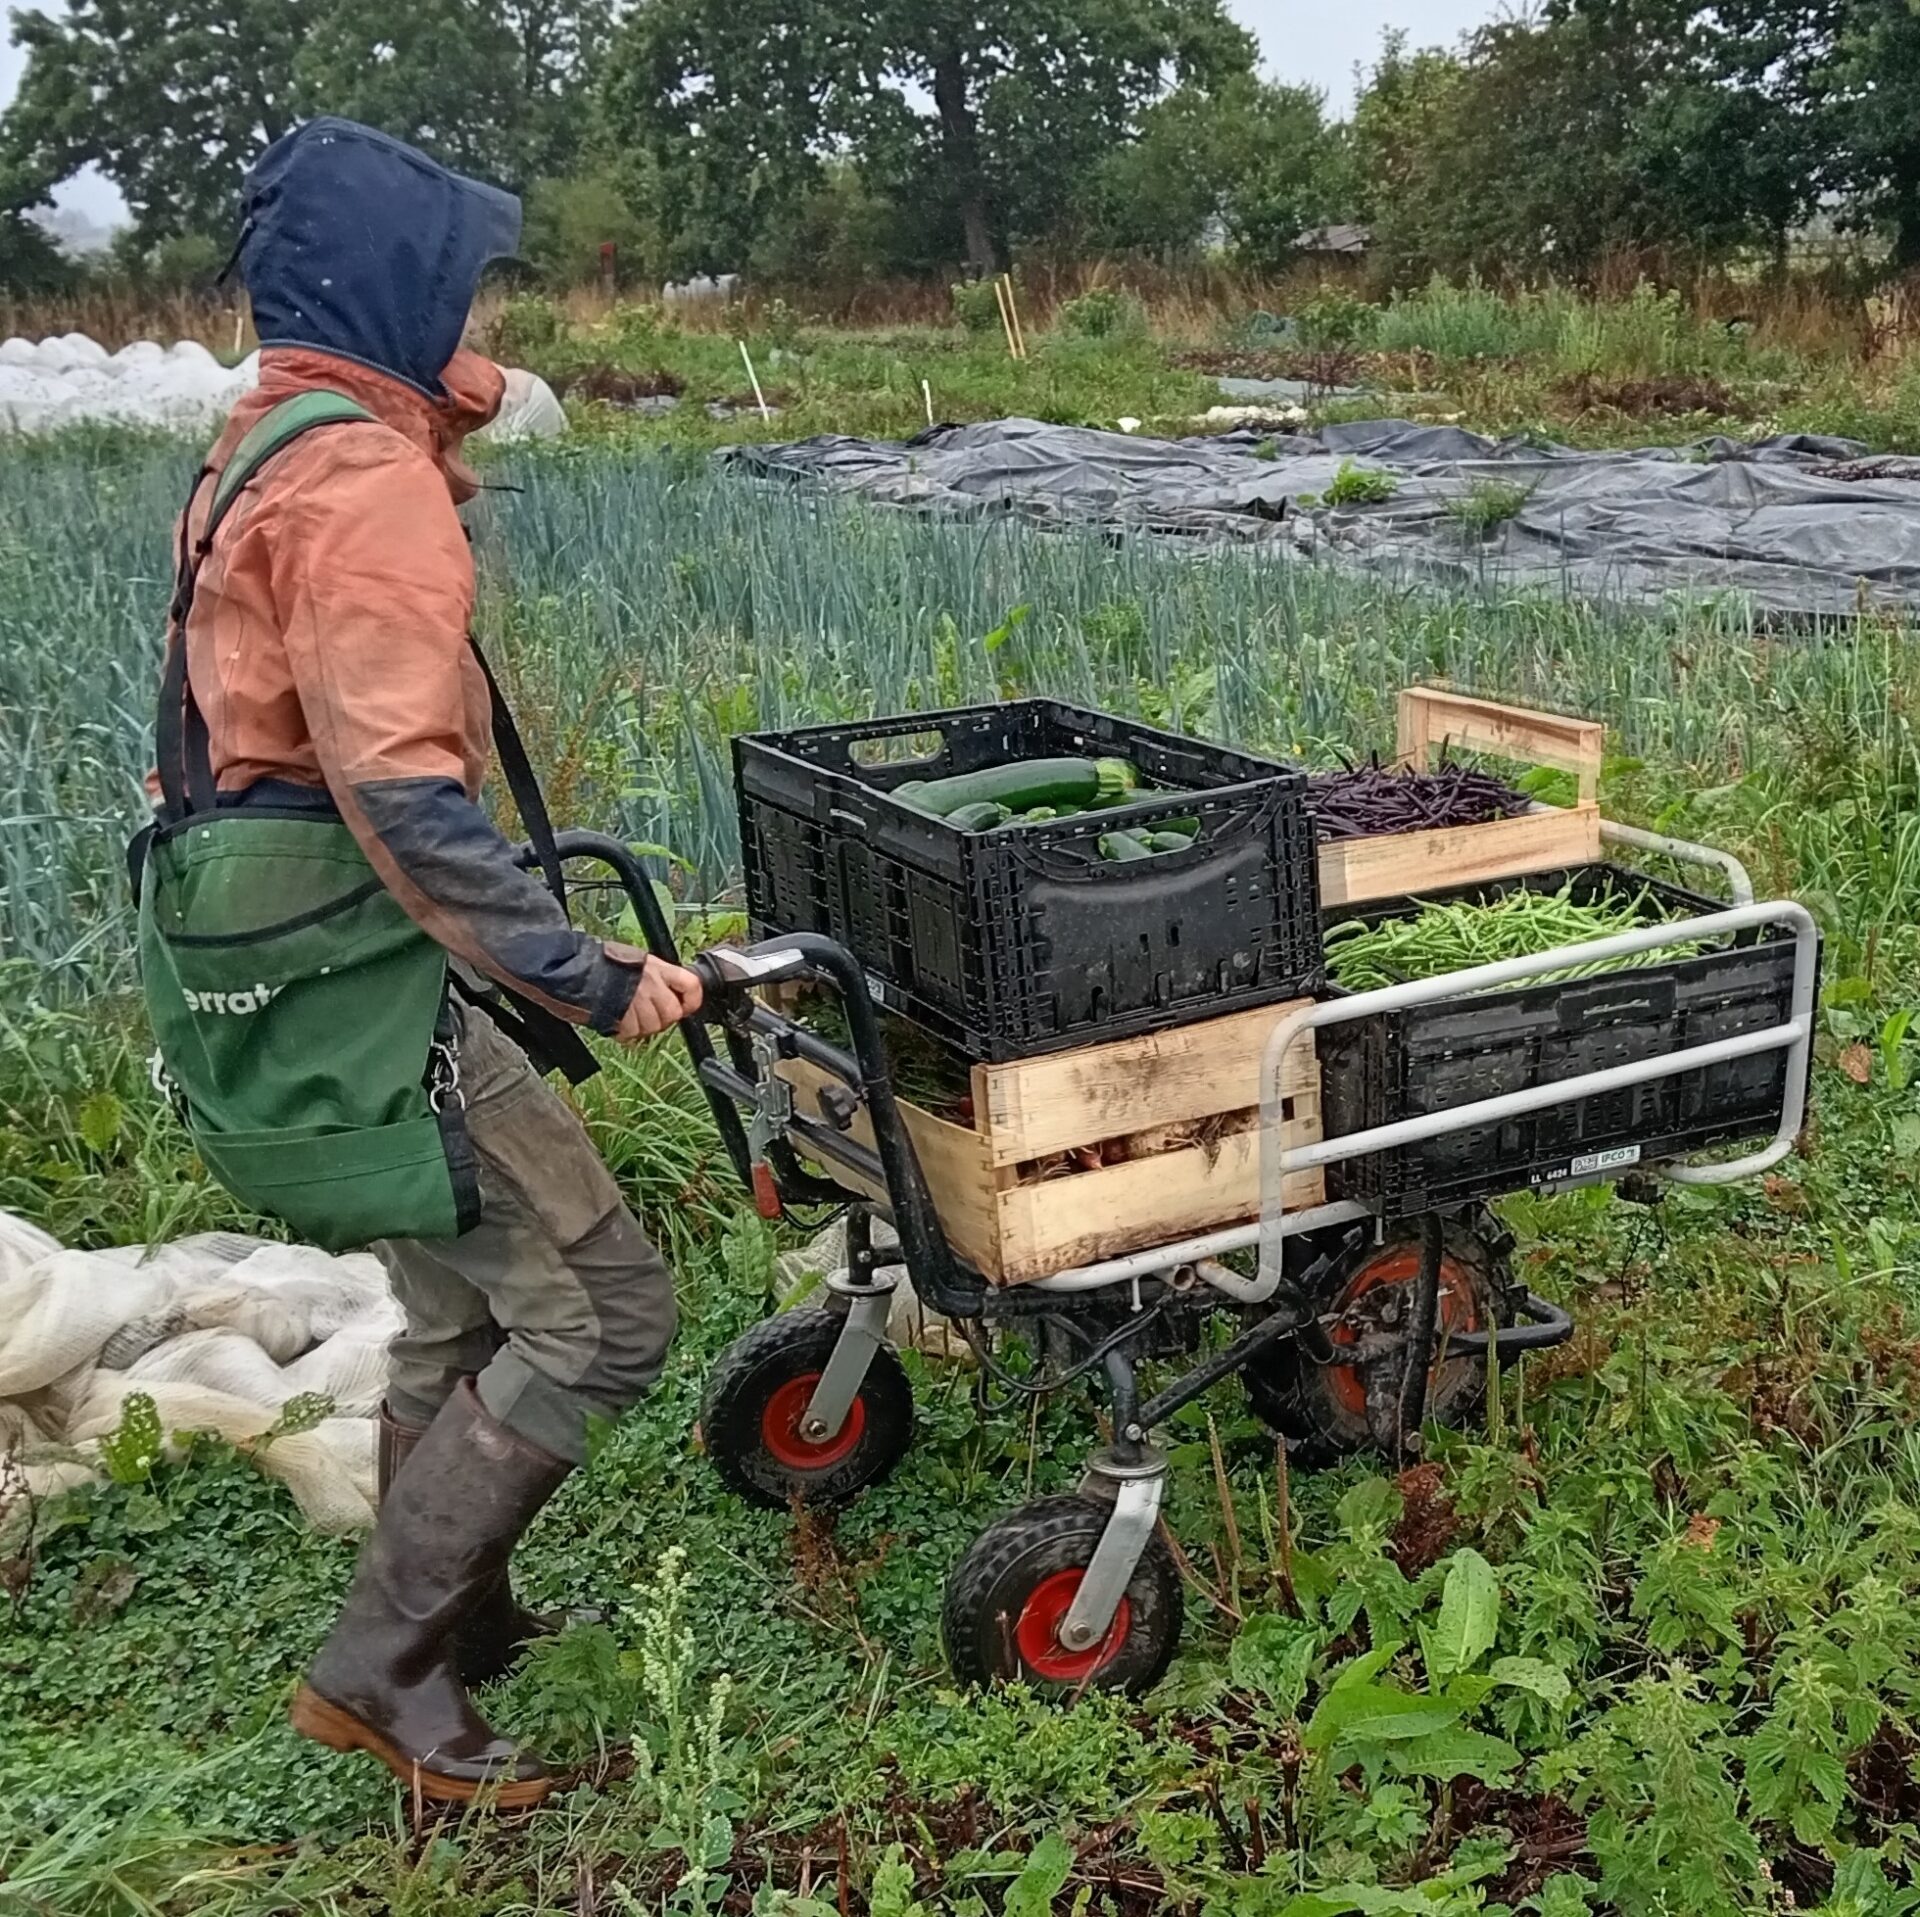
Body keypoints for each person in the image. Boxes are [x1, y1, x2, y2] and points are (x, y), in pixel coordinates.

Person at [141, 118, 702, 1809]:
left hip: (300, 950)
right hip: (368, 964)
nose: (497, 324)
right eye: (470, 287)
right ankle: (378, 1669)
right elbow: (404, 798)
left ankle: (462, 1608)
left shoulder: (273, 439)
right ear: (394, 290)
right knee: (608, 1309)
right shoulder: (365, 479)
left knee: (455, 1296)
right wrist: (581, 973)